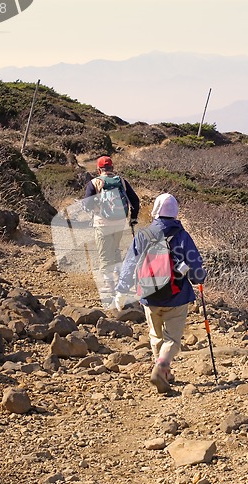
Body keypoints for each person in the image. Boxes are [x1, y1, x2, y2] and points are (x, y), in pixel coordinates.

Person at [114, 193, 207, 393]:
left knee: (155, 335)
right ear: (175, 213)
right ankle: (162, 366)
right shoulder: (182, 236)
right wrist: (198, 278)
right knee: (172, 339)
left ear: (156, 210)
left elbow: (130, 264)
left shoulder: (143, 235)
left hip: (149, 296)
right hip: (177, 296)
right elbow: (196, 265)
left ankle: (163, 371)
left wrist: (122, 290)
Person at [83, 155, 140, 293]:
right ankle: (121, 280)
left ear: (98, 169)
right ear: (112, 168)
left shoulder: (95, 183)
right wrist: (133, 218)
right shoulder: (121, 181)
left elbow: (87, 205)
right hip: (120, 222)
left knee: (104, 254)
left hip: (102, 223)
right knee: (115, 250)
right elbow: (135, 201)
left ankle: (109, 284)